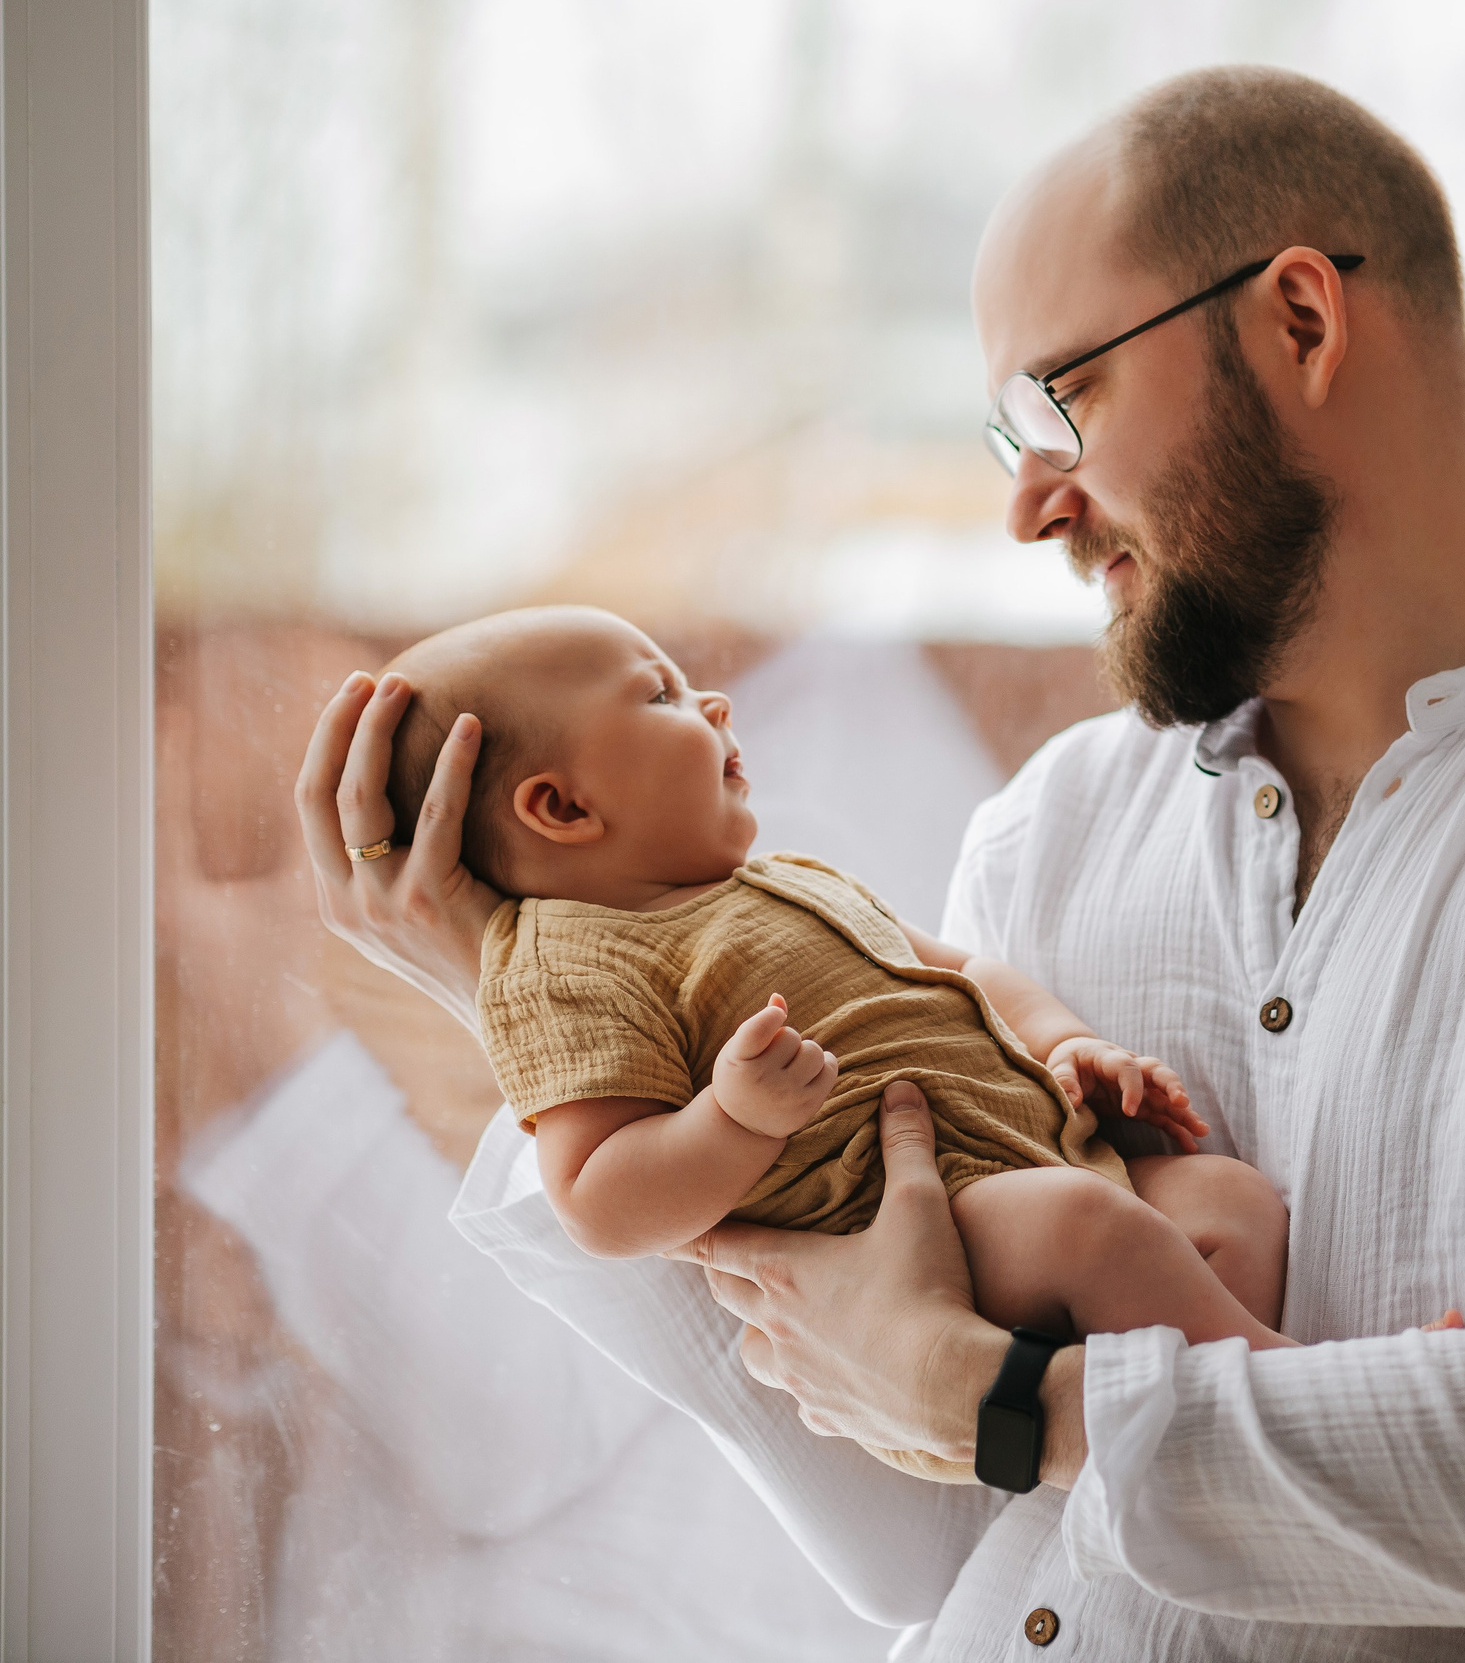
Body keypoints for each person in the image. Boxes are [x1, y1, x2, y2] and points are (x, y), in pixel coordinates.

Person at [300, 66, 1465, 1659]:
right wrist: (534, 999)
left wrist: (1011, 1399)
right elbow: (912, 1530)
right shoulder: (1055, 826)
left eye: (1061, 400)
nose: (1025, 506)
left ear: (1300, 321)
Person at [370, 606, 1291, 1476]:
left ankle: (1218, 1427)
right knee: (1092, 1230)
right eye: (661, 696)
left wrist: (1065, 1044)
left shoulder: (783, 879)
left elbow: (966, 973)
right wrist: (733, 1118)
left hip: (1046, 1156)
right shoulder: (567, 966)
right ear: (563, 808)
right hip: (922, 1235)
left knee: (1231, 1200)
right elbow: (595, 1197)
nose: (715, 703)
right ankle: (1287, 1409)